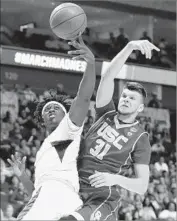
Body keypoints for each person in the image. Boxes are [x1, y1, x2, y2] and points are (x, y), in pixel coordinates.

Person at [61, 40, 160, 221]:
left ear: (140, 108)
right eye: (124, 96)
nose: (126, 100)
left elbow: (142, 185)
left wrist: (115, 179)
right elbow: (107, 77)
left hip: (100, 197)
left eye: (132, 98)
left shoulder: (141, 138)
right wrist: (129, 46)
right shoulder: (105, 112)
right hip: (72, 184)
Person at [7, 35, 96, 220]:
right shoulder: (42, 151)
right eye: (47, 110)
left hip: (60, 197)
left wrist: (91, 64)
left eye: (57, 108)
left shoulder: (68, 129)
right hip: (56, 200)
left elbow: (84, 98)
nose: (51, 110)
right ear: (43, 120)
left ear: (67, 115)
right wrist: (23, 176)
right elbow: (36, 192)